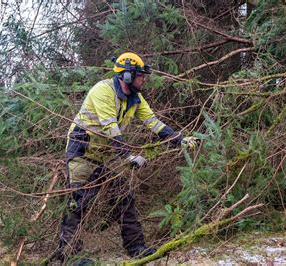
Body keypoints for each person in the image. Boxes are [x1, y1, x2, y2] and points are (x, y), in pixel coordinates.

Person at [50, 52, 198, 262]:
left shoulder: (135, 99)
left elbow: (153, 122)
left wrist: (179, 139)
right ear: (127, 76)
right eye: (140, 75)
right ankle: (70, 256)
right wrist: (128, 156)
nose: (143, 79)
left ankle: (136, 247)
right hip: (82, 151)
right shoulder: (103, 90)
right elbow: (109, 126)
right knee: (78, 202)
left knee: (123, 196)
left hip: (104, 155)